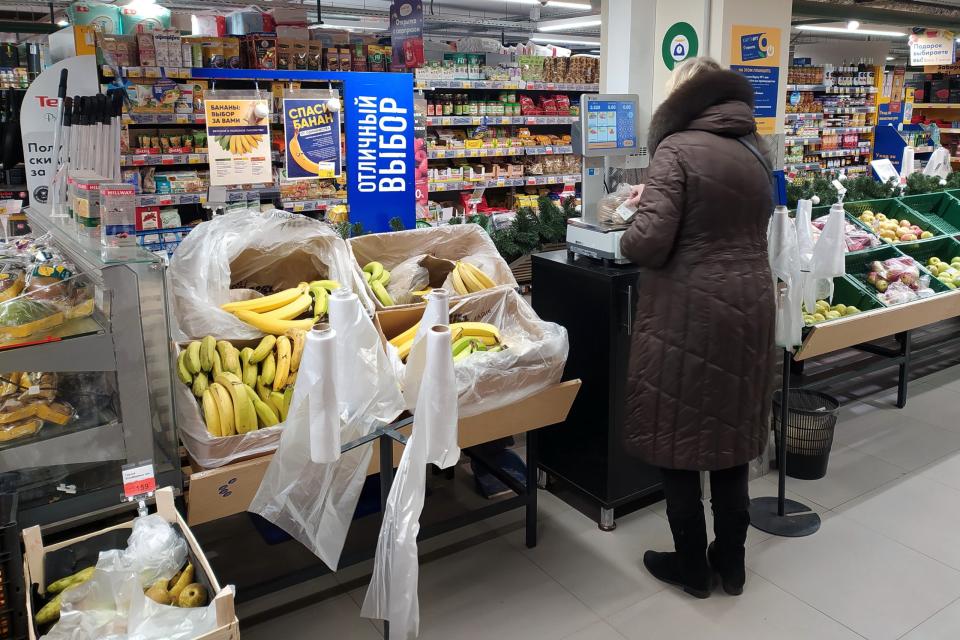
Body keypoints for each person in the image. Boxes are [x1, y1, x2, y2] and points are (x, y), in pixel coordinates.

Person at [619, 56, 775, 599]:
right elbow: (733, 218)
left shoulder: (675, 148)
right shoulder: (759, 148)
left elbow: (649, 244)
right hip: (750, 304)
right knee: (730, 440)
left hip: (688, 313)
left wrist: (634, 219)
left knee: (678, 440)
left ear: (683, 98)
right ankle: (731, 566)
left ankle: (690, 570)